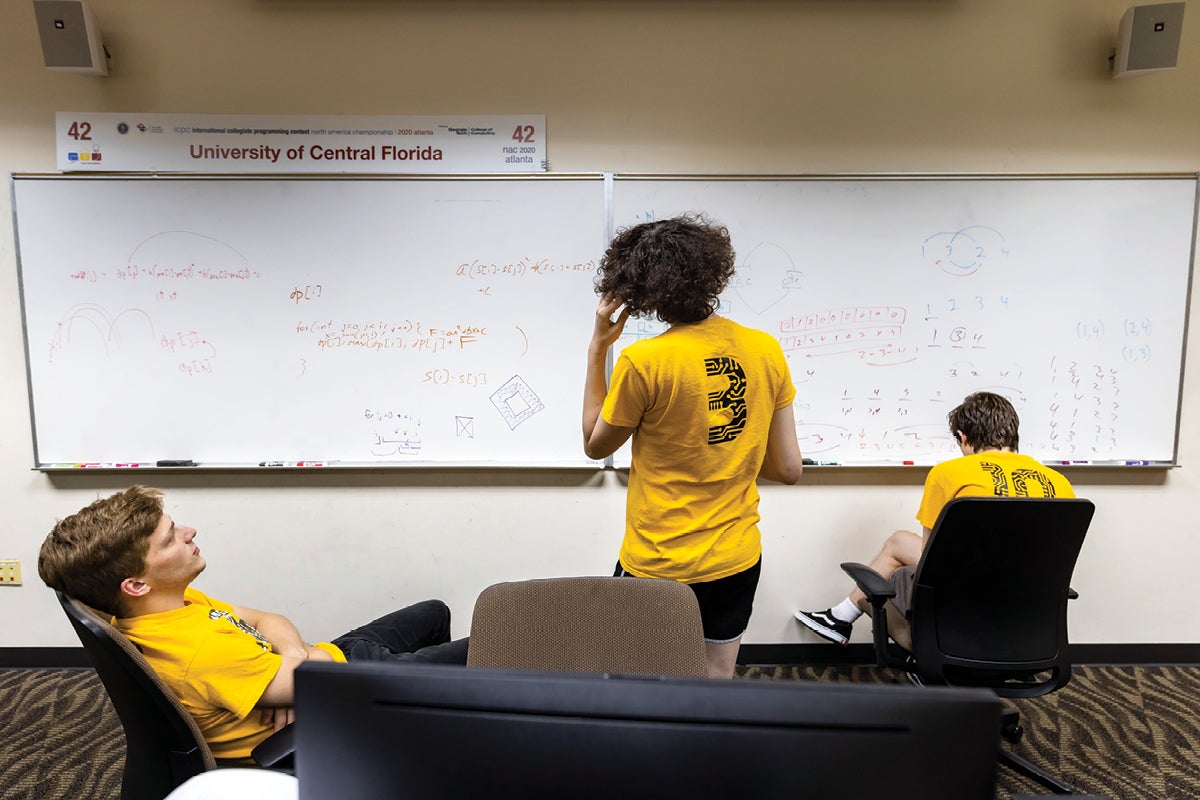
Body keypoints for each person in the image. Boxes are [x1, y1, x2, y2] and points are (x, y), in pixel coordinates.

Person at [38, 485, 468, 761]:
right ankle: (422, 724)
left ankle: (426, 723)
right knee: (498, 650)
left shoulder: (167, 604)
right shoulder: (202, 652)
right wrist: (297, 672)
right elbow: (297, 659)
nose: (189, 532)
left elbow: (267, 618)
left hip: (319, 668)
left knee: (433, 611)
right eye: (170, 538)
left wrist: (293, 663)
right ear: (134, 584)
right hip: (342, 696)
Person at [582, 214, 805, 679]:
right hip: (735, 554)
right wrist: (727, 451)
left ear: (643, 291)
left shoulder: (643, 362)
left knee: (641, 678)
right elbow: (787, 468)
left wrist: (597, 349)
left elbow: (593, 443)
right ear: (711, 273)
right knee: (716, 679)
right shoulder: (765, 349)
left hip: (658, 559)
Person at [794, 391, 1074, 645]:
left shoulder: (950, 473)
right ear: (1012, 433)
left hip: (969, 593)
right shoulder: (1059, 482)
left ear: (963, 437)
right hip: (1028, 606)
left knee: (898, 544)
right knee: (902, 548)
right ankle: (840, 616)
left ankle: (842, 616)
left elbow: (932, 560)